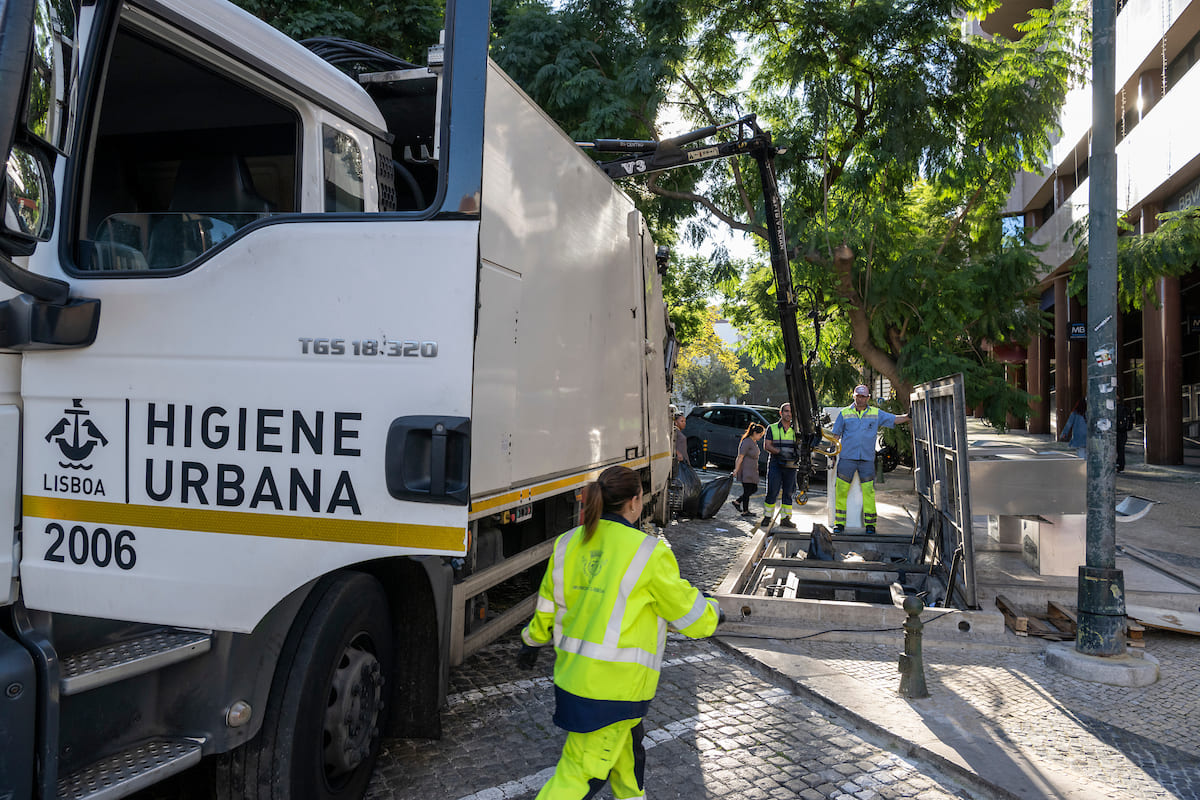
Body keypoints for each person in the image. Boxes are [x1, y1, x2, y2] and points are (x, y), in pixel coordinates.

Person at [516, 465, 722, 800]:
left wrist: (532, 640)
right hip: (614, 691)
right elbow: (690, 616)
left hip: (575, 680)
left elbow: (549, 604)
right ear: (634, 501)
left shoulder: (569, 543)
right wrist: (715, 612)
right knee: (578, 776)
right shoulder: (649, 553)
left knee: (627, 761)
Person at [829, 385, 910, 534]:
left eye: (863, 397)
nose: (860, 399)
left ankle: (870, 525)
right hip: (847, 459)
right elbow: (836, 437)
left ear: (868, 398)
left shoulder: (875, 413)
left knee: (868, 492)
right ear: (854, 396)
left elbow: (893, 419)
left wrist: (907, 417)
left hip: (866, 460)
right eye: (858, 396)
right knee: (841, 491)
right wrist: (833, 455)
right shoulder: (844, 413)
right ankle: (839, 523)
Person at [761, 402, 801, 529]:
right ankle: (767, 517)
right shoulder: (772, 428)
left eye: (790, 412)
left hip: (791, 465)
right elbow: (767, 445)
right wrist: (780, 452)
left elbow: (802, 445)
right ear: (781, 413)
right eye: (786, 411)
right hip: (776, 464)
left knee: (788, 493)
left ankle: (785, 519)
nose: (789, 414)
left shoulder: (797, 430)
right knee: (772, 491)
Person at [730, 423, 764, 516]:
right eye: (760, 435)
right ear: (755, 433)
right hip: (746, 470)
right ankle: (745, 511)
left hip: (752, 470)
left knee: (753, 489)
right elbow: (740, 456)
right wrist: (736, 470)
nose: (760, 437)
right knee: (748, 490)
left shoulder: (753, 442)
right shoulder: (746, 442)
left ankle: (738, 502)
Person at [1115, 398, 1133, 473]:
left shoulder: (1113, 409)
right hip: (1123, 432)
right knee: (1121, 450)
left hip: (1115, 431)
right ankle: (1121, 466)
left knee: (1114, 449)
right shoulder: (1125, 409)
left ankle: (1116, 464)